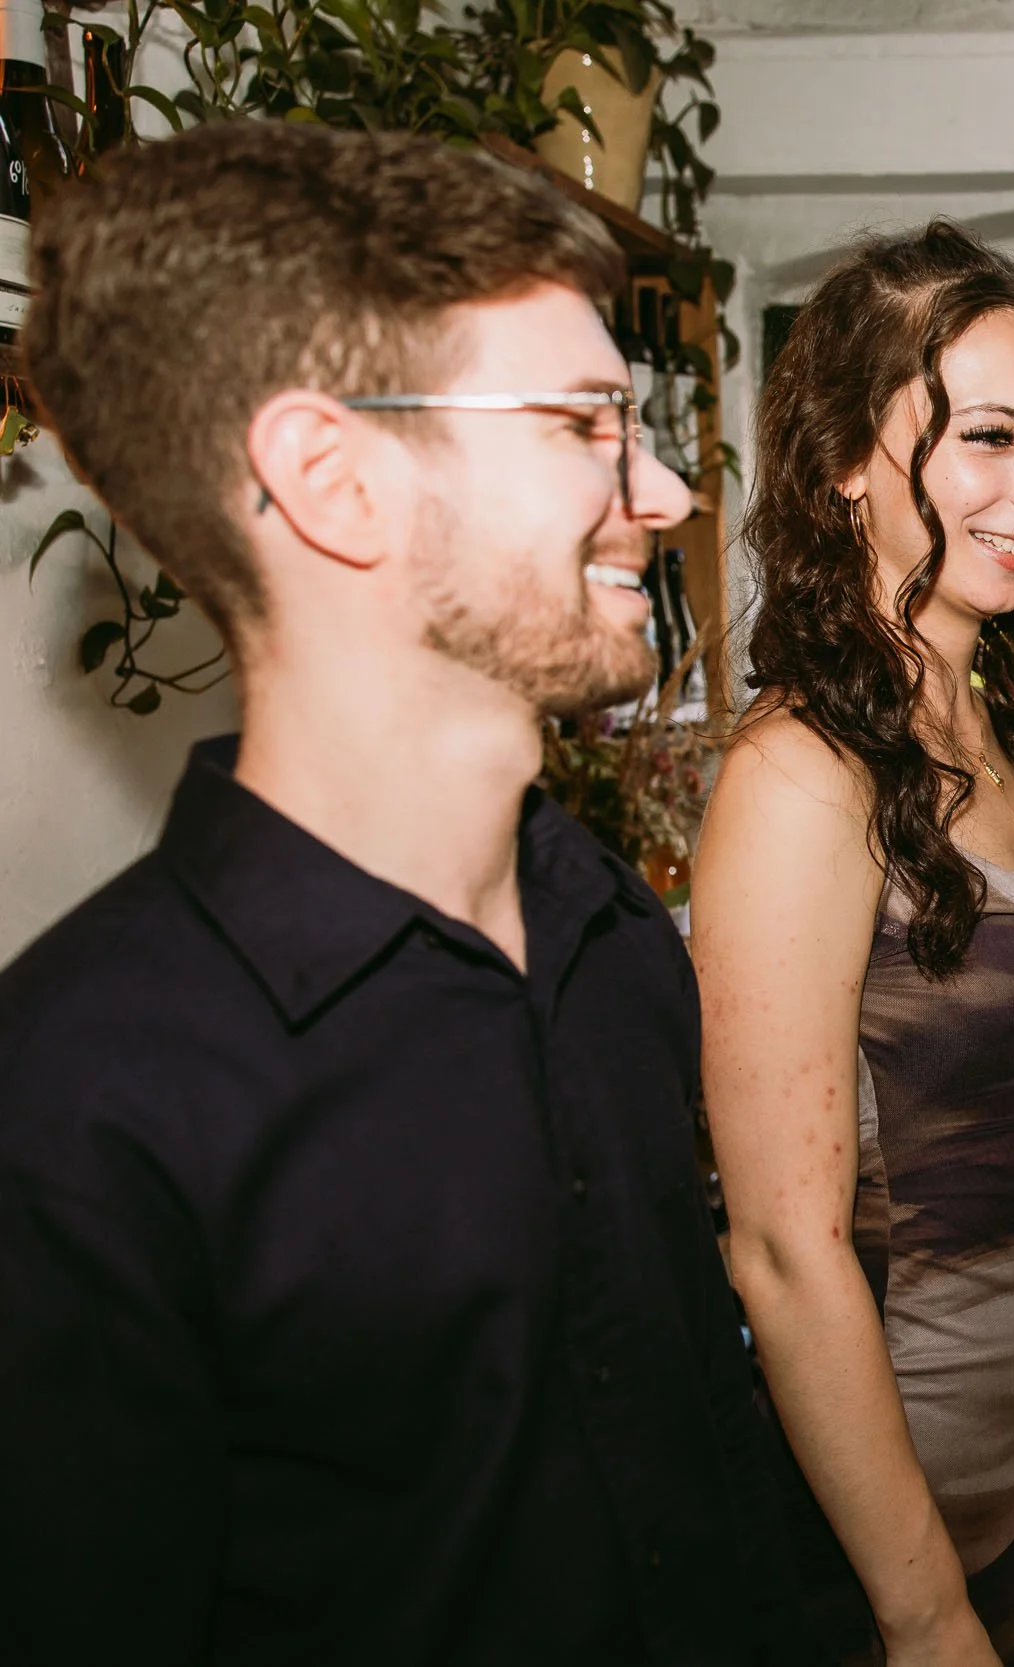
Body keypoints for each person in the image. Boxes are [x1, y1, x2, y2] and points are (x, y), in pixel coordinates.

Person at [0, 122, 828, 1661]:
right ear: (335, 480)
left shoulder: (605, 926)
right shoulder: (77, 1107)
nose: (660, 489)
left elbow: (706, 1435)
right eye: (586, 423)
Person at [694, 223, 1014, 1667]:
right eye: (988, 436)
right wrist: (921, 1609)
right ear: (848, 458)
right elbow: (784, 1249)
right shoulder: (802, 774)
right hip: (934, 1469)